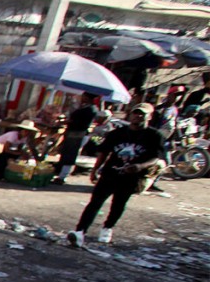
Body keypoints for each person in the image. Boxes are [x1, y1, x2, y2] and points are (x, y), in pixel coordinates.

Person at [67, 104, 165, 247]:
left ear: (149, 117)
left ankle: (107, 227)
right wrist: (95, 170)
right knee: (95, 202)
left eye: (142, 114)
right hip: (110, 172)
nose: (137, 116)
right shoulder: (117, 133)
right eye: (135, 113)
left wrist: (140, 166)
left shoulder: (154, 136)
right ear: (130, 115)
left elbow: (156, 157)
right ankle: (80, 231)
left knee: (118, 204)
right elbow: (104, 152)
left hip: (131, 176)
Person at [52, 93, 98, 184]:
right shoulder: (86, 108)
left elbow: (78, 121)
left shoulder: (89, 110)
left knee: (70, 154)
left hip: (77, 133)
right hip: (74, 132)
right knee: (66, 152)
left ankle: (62, 176)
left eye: (84, 96)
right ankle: (60, 173)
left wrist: (65, 121)